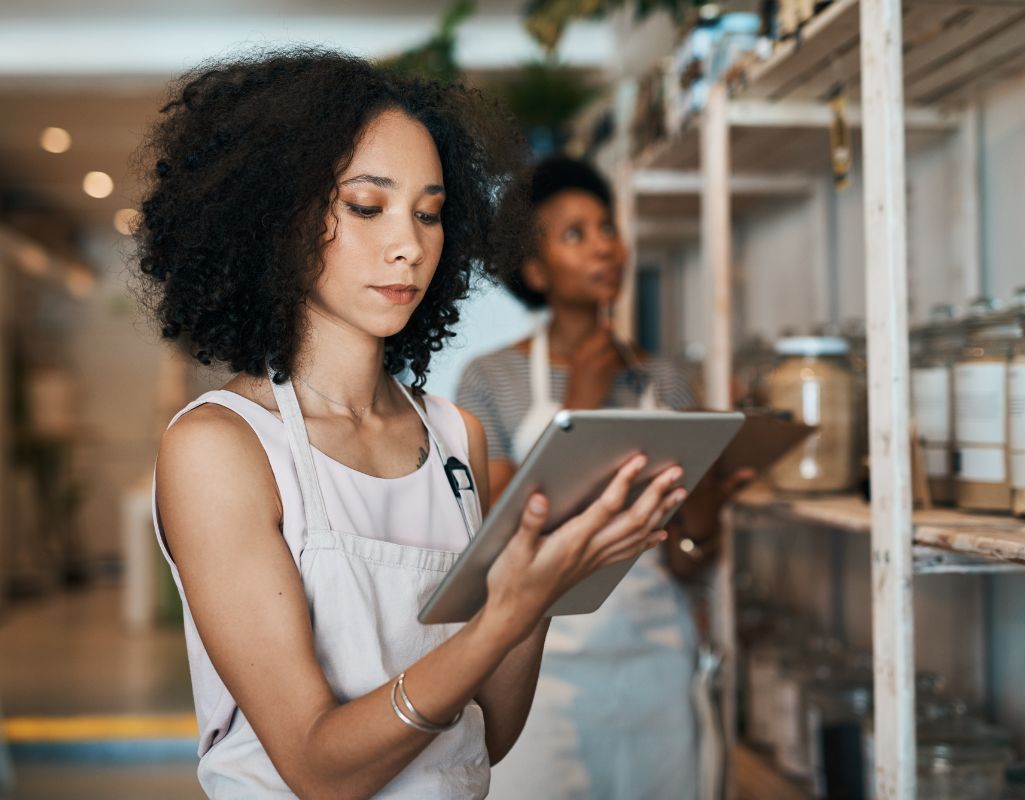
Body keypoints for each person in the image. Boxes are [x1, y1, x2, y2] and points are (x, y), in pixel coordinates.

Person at [139, 52, 690, 799]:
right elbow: (317, 767)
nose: (411, 244)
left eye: (429, 212)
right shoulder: (221, 447)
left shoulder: (457, 437)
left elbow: (487, 735)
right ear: (276, 219)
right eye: (368, 206)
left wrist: (545, 589)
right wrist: (509, 613)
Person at [457, 156, 750, 800]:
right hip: (538, 669)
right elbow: (505, 534)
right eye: (575, 234)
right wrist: (583, 406)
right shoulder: (490, 380)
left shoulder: (666, 380)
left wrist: (708, 481)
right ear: (535, 271)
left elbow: (690, 556)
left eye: (607, 227)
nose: (604, 246)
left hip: (655, 662)